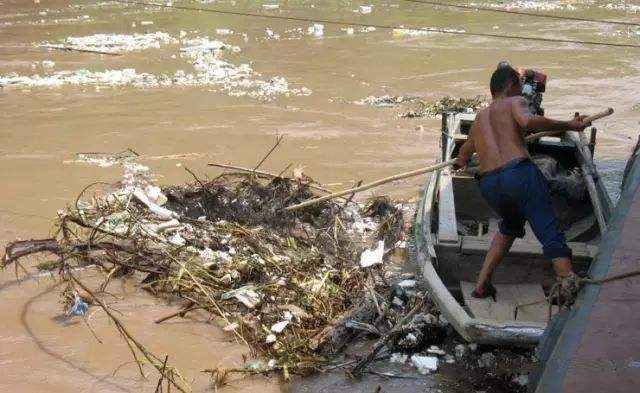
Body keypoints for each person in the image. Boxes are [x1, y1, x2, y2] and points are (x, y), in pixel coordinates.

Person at [453, 64, 590, 300]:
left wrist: (458, 163)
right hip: (518, 175)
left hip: (489, 185)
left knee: (510, 225)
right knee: (549, 230)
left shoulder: (479, 118)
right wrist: (569, 124)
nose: (521, 93)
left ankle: (481, 285)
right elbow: (527, 122)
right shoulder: (515, 102)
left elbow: (463, 155)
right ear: (510, 86)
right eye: (518, 87)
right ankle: (569, 287)